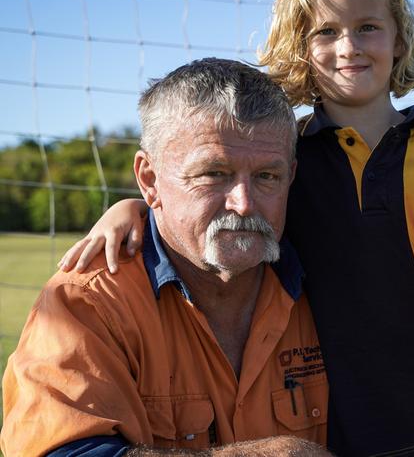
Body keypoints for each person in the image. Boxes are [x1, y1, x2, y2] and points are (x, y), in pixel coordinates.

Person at [57, 0, 414, 455]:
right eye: (327, 31)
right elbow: (218, 211)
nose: (349, 46)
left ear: (400, 43)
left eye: (368, 27)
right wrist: (130, 209)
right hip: (350, 432)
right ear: (302, 49)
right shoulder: (286, 160)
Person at [1, 59, 333, 457]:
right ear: (149, 180)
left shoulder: (329, 284)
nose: (244, 204)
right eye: (214, 173)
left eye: (267, 177)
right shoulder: (87, 303)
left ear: (291, 177)